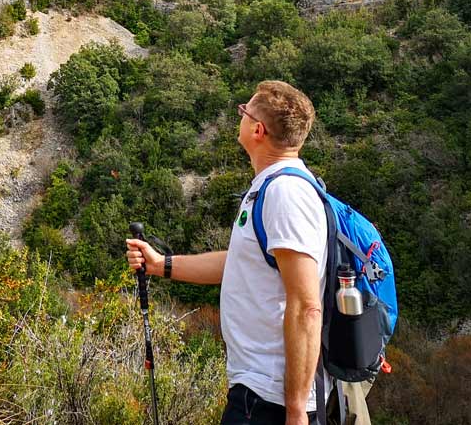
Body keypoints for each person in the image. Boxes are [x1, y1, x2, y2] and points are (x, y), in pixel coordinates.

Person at [126, 80, 330, 425]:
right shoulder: (270, 187)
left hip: (270, 399)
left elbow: (307, 306)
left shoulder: (285, 195)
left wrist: (296, 410)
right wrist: (162, 265)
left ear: (258, 130)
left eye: (244, 112)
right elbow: (238, 263)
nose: (240, 117)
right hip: (257, 390)